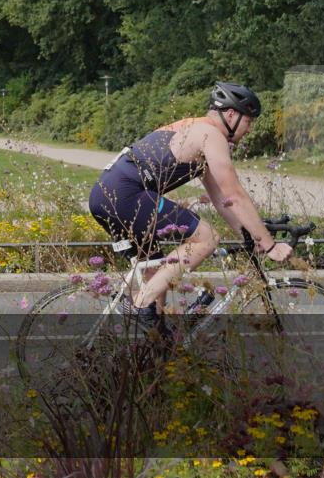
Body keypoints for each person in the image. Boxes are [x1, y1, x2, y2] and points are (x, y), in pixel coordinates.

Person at [88, 82, 293, 325]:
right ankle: (139, 305)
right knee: (207, 238)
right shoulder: (210, 135)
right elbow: (235, 194)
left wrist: (248, 234)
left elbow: (223, 199)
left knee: (155, 281)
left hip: (107, 195)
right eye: (249, 121)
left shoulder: (194, 128)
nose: (249, 129)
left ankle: (152, 352)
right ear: (231, 114)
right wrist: (270, 246)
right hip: (126, 194)